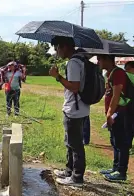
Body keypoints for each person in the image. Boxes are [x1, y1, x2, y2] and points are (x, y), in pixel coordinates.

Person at [49, 36, 89, 187]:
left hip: (74, 109)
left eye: (56, 48)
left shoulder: (73, 62)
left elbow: (74, 86)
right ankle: (69, 170)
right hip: (81, 108)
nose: (56, 51)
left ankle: (77, 177)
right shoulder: (81, 60)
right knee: (70, 142)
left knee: (75, 144)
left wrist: (57, 76)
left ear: (64, 47)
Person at [98, 55, 132, 182]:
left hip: (120, 113)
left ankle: (121, 172)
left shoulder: (118, 73)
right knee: (115, 141)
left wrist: (110, 113)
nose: (98, 62)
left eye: (100, 59)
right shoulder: (110, 74)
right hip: (115, 113)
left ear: (107, 60)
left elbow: (116, 95)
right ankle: (115, 168)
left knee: (121, 143)